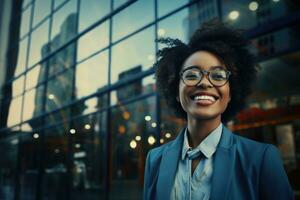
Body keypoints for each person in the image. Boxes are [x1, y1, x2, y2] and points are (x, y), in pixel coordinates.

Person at [143, 20, 294, 200]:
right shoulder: (155, 159)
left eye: (218, 75)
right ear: (176, 91)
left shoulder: (261, 159)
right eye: (191, 75)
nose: (205, 83)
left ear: (230, 93)